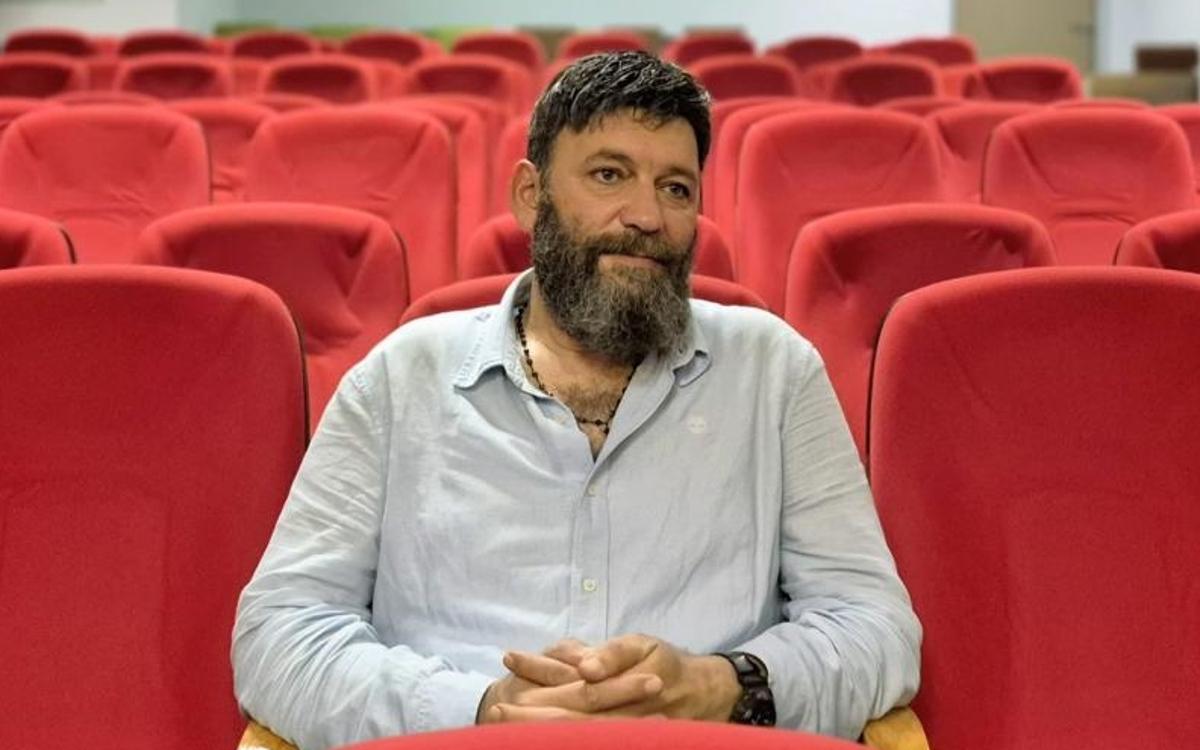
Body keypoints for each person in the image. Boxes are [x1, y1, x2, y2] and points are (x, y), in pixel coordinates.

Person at [233, 51, 920, 750]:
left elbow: (875, 625)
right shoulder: (400, 379)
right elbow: (280, 633)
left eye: (676, 188)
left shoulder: (774, 373)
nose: (647, 216)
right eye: (609, 174)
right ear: (531, 195)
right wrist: (478, 710)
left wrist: (725, 686)